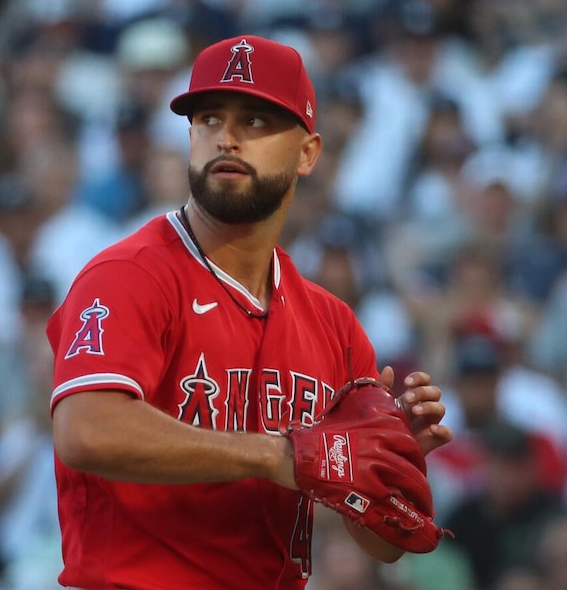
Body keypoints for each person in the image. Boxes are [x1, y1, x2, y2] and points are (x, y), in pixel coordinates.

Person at [47, 34, 453, 589]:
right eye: (209, 118)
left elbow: (382, 545)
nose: (227, 137)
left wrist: (391, 465)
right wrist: (271, 454)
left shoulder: (333, 325)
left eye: (256, 121)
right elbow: (85, 431)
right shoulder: (130, 274)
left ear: (308, 152)